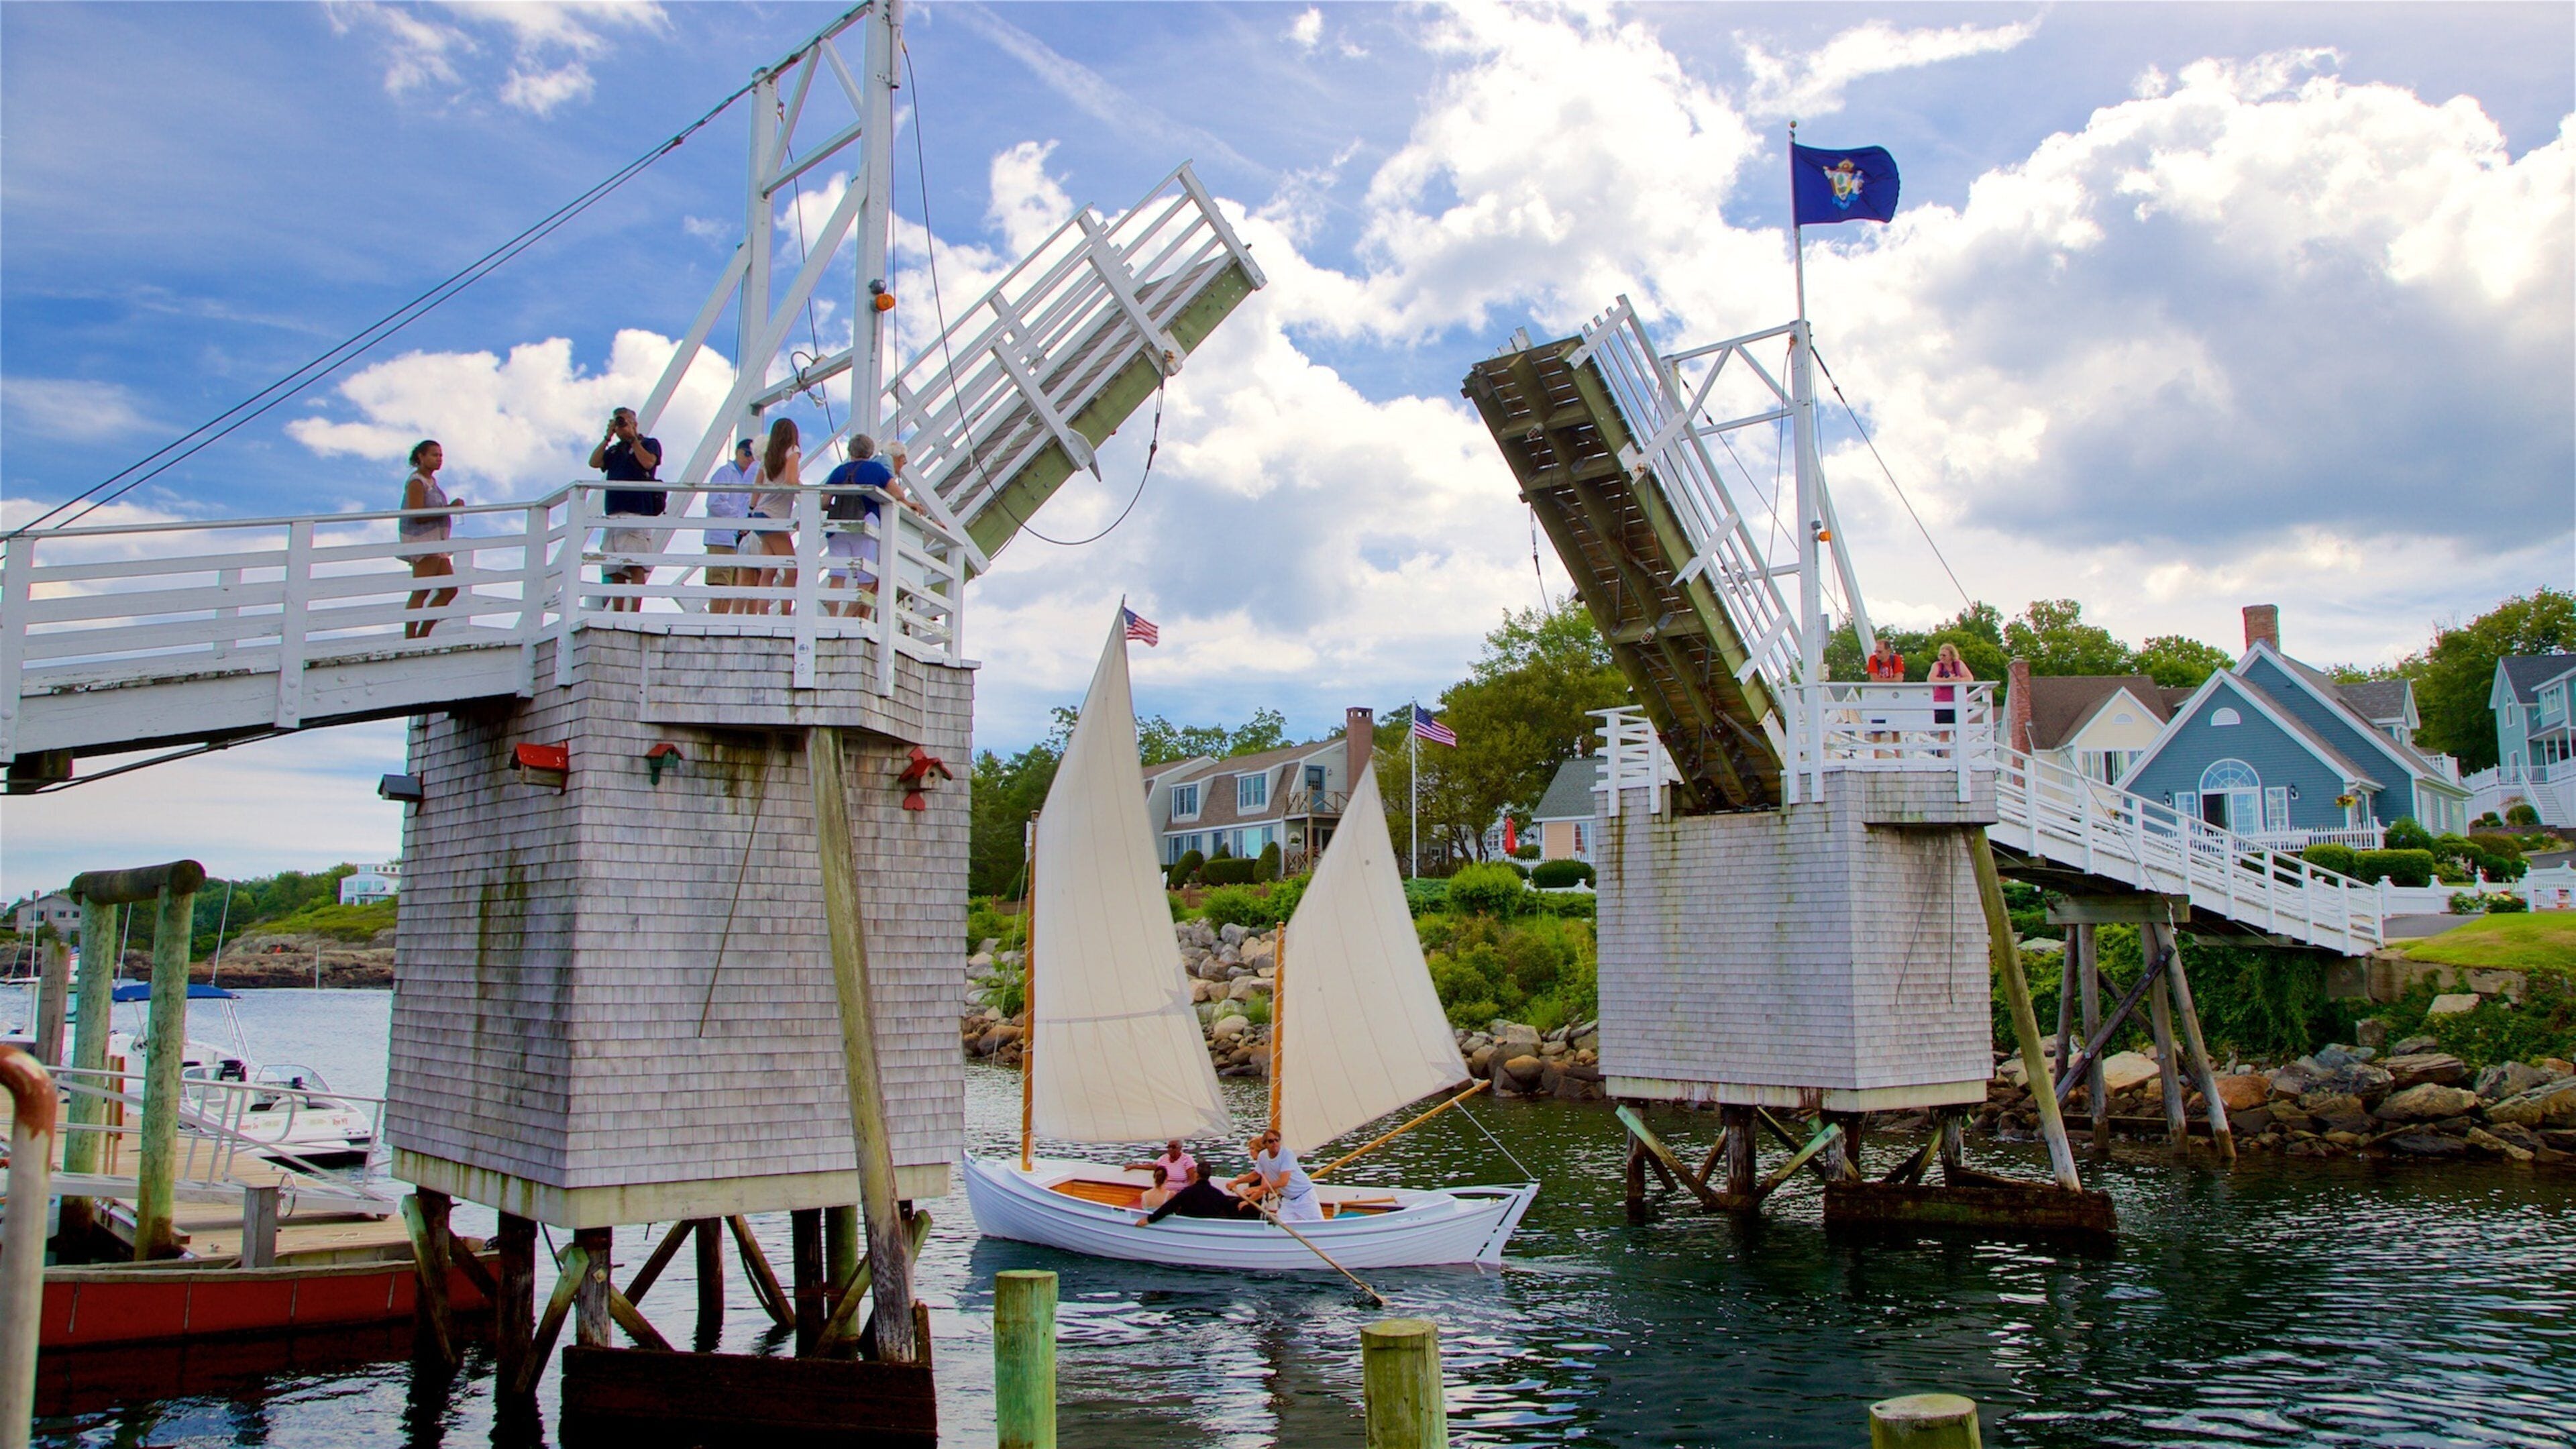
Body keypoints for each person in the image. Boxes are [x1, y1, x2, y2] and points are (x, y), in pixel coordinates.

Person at [817, 433, 919, 619]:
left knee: (837, 574)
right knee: (867, 578)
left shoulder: (839, 471)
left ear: (850, 451)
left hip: (838, 525)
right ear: (871, 451)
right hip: (865, 524)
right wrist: (909, 503)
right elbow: (897, 494)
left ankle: (831, 618)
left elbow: (824, 502)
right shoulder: (875, 470)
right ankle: (847, 617)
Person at [588, 407, 664, 612]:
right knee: (614, 569)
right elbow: (594, 462)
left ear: (635, 423)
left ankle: (634, 612)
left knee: (635, 564)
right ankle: (618, 611)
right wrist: (608, 437)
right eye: (618, 422)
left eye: (625, 422)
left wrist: (633, 440)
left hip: (636, 512)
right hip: (613, 514)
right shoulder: (614, 450)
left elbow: (648, 463)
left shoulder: (649, 443)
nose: (622, 426)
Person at [400, 440, 462, 640]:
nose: (439, 459)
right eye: (434, 455)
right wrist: (449, 509)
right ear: (421, 457)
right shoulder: (417, 482)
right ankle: (411, 639)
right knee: (422, 590)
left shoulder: (432, 483)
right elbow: (417, 514)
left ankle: (422, 634)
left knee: (449, 590)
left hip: (438, 542)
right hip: (423, 541)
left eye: (441, 455)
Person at [749, 418, 802, 616]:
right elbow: (790, 481)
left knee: (768, 570)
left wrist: (751, 509)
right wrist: (805, 491)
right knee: (791, 568)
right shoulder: (792, 451)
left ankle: (763, 614)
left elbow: (757, 488)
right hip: (775, 517)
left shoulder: (767, 456)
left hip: (760, 514)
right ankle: (786, 613)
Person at [703, 437, 757, 615]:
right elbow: (715, 502)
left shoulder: (748, 478)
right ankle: (715, 621)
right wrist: (739, 517)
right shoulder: (725, 473)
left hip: (737, 538)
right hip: (722, 537)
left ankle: (723, 620)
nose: (750, 459)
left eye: (753, 456)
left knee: (733, 584)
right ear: (738, 452)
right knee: (720, 582)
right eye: (747, 454)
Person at [1234, 1127, 1323, 1223]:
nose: (1275, 1143)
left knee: (1318, 1225)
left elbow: (1283, 1182)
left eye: (1277, 1140)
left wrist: (1259, 1188)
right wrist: (1236, 1182)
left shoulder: (1287, 1154)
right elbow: (1256, 1174)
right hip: (1288, 1200)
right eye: (1271, 1141)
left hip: (1305, 1196)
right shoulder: (1263, 1156)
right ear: (1265, 1144)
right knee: (1280, 1227)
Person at [1135, 1171, 1258, 1226]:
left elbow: (1169, 1206)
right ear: (1209, 1176)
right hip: (1211, 1225)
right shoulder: (1218, 1194)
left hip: (1188, 1223)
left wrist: (1150, 1220)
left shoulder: (1186, 1193)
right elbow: (1231, 1213)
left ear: (1197, 1175)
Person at [1928, 641, 1973, 752]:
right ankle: (1946, 758)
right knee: (1944, 732)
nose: (1941, 658)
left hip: (1958, 702)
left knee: (1960, 731)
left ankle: (1962, 755)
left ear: (1951, 656)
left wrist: (1957, 680)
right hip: (1942, 703)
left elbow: (1970, 678)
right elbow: (1931, 679)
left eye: (1944, 655)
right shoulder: (1937, 666)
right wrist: (1946, 681)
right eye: (1940, 655)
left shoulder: (1958, 665)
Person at [1864, 637, 1906, 752]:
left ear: (1888, 651)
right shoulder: (1873, 660)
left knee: (1895, 730)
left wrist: (1883, 681)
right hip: (1878, 698)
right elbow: (1874, 679)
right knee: (1877, 730)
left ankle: (1899, 758)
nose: (1877, 654)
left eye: (1880, 652)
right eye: (1876, 651)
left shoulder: (1896, 659)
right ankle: (1876, 759)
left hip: (1893, 698)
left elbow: (1899, 679)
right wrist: (1891, 680)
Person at [1124, 1139, 1197, 1193]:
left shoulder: (1187, 1159)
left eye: (1173, 1147)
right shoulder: (1164, 1158)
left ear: (1180, 1148)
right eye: (1169, 1147)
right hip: (1165, 1192)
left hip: (1180, 1193)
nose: (1170, 1149)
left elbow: (1193, 1180)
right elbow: (1153, 1167)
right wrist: (1134, 1166)